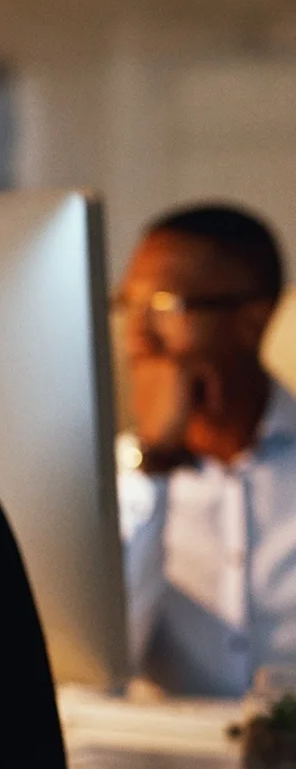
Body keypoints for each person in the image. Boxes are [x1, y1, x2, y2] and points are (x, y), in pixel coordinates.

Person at [116, 203, 296, 697]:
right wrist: (152, 462)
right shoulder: (119, 479)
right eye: (128, 305)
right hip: (164, 765)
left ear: (253, 320)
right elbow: (101, 667)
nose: (136, 337)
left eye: (164, 306)